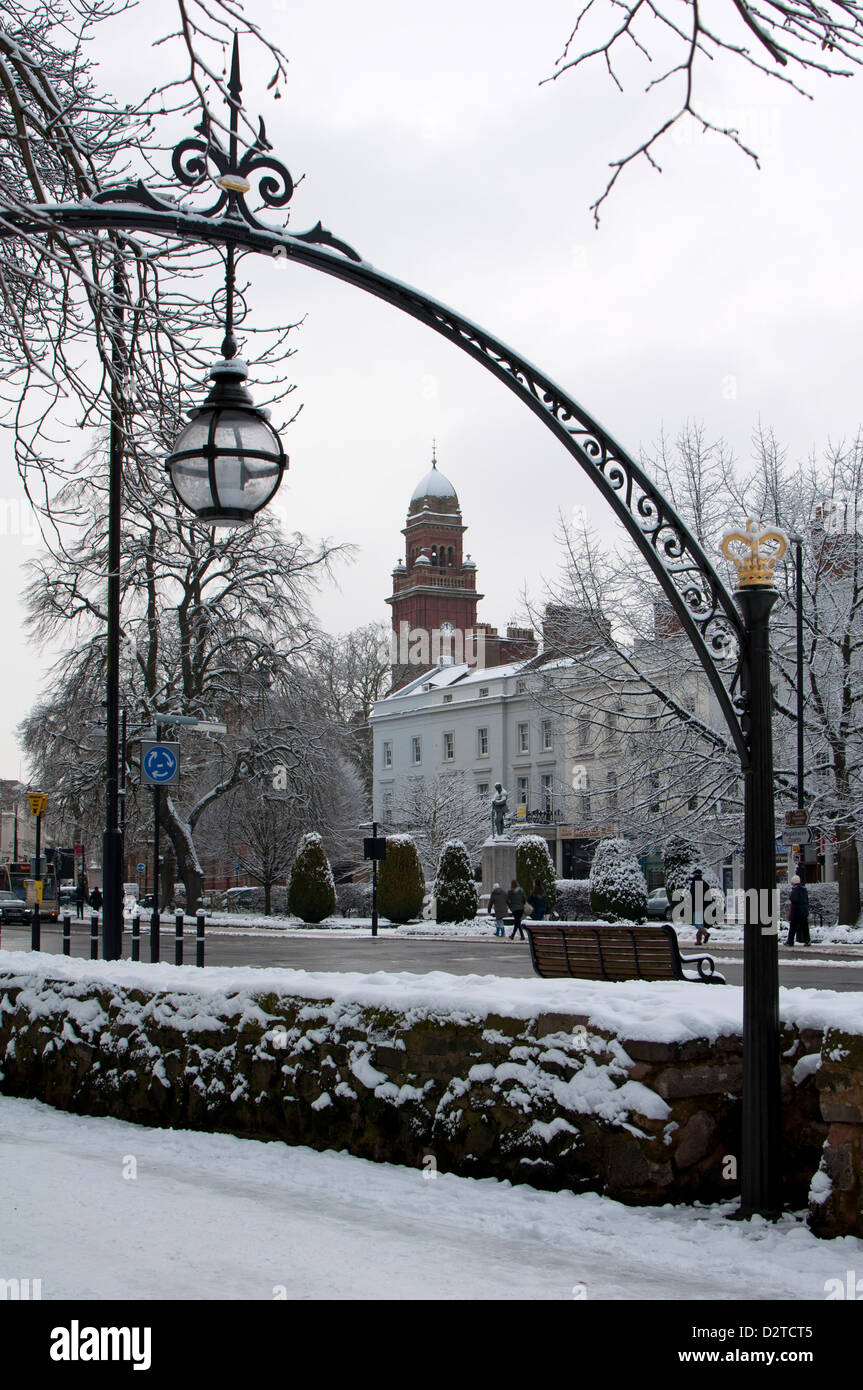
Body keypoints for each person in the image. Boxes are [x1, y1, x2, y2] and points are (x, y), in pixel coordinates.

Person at [787, 874, 810, 946]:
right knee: (805, 926)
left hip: (797, 911)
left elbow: (793, 899)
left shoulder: (795, 889)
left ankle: (790, 941)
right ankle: (807, 940)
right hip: (804, 910)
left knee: (793, 926)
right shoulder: (804, 888)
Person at [688, 867, 709, 946]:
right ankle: (698, 941)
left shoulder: (694, 883)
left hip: (696, 905)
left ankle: (706, 933)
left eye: (693, 874)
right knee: (700, 923)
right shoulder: (705, 883)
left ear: (695, 875)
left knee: (697, 923)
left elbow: (692, 895)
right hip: (704, 905)